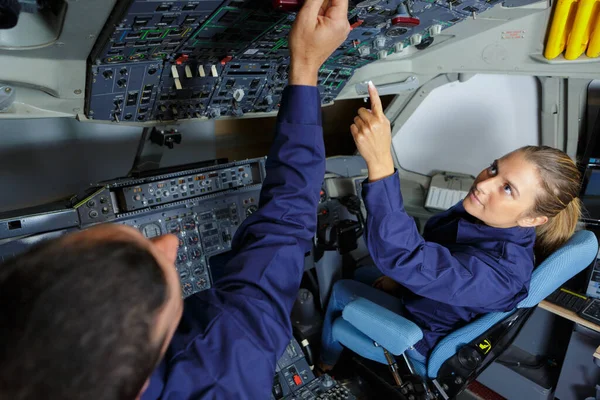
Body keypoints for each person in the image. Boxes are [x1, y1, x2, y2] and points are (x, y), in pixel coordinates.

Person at [0, 1, 350, 399]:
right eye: (152, 275)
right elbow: (286, 224)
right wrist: (305, 65)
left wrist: (305, 68)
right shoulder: (225, 372)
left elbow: (287, 226)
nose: (169, 243)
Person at [318, 86, 583, 371]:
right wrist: (402, 279)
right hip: (430, 297)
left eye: (507, 188)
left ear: (532, 219)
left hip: (426, 330)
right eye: (494, 169)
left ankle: (324, 364)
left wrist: (381, 164)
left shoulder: (502, 275)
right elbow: (429, 252)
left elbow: (405, 256)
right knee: (361, 272)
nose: (483, 184)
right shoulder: (487, 219)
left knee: (341, 288)